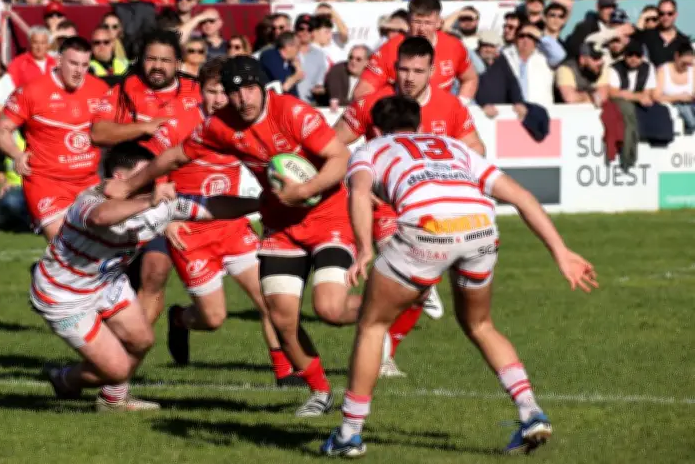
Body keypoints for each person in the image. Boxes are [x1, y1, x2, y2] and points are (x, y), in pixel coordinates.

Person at [320, 94, 598, 458]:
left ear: (373, 129)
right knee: (480, 324)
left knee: (372, 324)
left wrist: (365, 249)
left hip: (428, 231)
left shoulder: (369, 150)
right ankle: (530, 412)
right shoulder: (451, 145)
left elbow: (357, 193)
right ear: (419, 125)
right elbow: (521, 196)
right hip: (480, 228)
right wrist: (561, 252)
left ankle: (349, 434)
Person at [105, 56, 361, 417]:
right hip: (279, 225)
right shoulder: (220, 126)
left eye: (249, 89)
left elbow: (340, 156)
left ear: (262, 86)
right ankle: (319, 393)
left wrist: (305, 191)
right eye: (234, 92)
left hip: (327, 216)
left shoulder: (292, 112)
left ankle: (387, 308)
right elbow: (175, 156)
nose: (243, 99)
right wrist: (130, 185)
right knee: (281, 316)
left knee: (330, 308)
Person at [39, 141, 262, 412]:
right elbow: (101, 217)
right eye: (144, 175)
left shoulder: (157, 203)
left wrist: (262, 203)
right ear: (120, 179)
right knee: (118, 369)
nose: (152, 180)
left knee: (142, 340)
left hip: (107, 283)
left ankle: (113, 400)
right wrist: (149, 200)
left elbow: (210, 207)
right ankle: (64, 379)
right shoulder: (90, 200)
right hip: (64, 295)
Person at [335, 36, 485, 377]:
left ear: (432, 71)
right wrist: (357, 178)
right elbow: (331, 144)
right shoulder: (372, 104)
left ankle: (386, 352)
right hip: (384, 208)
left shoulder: (450, 107)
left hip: (429, 209)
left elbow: (476, 148)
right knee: (404, 267)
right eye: (403, 69)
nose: (409, 77)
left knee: (408, 288)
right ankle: (415, 299)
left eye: (418, 70)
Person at [149, 57, 299, 386]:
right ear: (200, 91)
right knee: (213, 318)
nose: (218, 99)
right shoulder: (179, 125)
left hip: (232, 226)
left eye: (224, 92)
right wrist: (167, 220)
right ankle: (180, 319)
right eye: (212, 91)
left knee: (269, 298)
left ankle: (285, 374)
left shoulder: (240, 125)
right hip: (191, 232)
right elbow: (156, 170)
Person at [89, 29, 201, 325]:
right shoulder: (125, 89)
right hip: (129, 196)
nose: (157, 66)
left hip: (173, 197)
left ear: (178, 63)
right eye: (151, 58)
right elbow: (98, 132)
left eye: (165, 60)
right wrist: (143, 128)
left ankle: (131, 351)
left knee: (156, 271)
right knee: (115, 280)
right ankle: (110, 347)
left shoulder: (196, 92)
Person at [0, 37, 110, 241]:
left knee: (96, 248)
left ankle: (42, 271)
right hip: (46, 182)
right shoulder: (32, 91)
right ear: (58, 61)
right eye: (73, 63)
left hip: (87, 181)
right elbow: (1, 129)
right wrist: (16, 154)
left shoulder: (100, 89)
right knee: (64, 244)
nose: (78, 71)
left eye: (84, 65)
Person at [353, 0, 478, 105]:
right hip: (401, 121)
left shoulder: (454, 46)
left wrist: (459, 106)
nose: (422, 29)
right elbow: (362, 92)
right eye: (417, 22)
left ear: (439, 23)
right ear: (408, 21)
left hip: (438, 122)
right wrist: (386, 116)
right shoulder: (389, 49)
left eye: (428, 23)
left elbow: (470, 79)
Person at [653, 39, 695, 134]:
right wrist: (678, 97)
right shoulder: (663, 70)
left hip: (690, 104)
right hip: (671, 105)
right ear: (676, 57)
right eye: (684, 63)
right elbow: (656, 96)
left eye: (689, 64)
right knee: (682, 108)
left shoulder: (692, 70)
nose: (686, 67)